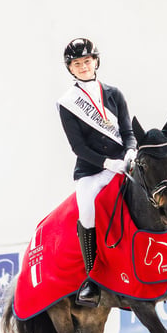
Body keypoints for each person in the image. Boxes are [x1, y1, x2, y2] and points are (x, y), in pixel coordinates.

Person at [57, 38, 137, 306]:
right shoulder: (68, 103)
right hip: (91, 171)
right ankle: (92, 278)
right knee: (87, 208)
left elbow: (127, 132)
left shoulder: (115, 93)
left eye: (87, 61)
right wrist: (106, 163)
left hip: (122, 163)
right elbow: (77, 146)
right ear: (71, 68)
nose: (82, 67)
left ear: (96, 62)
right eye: (77, 63)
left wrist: (130, 152)